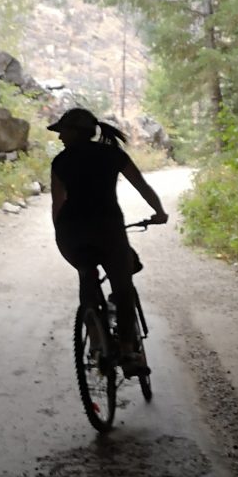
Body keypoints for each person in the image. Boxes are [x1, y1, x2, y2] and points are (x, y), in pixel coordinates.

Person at [49, 105, 168, 368]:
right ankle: (127, 349)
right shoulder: (112, 154)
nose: (59, 138)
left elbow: (57, 204)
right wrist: (159, 211)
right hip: (108, 230)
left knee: (86, 275)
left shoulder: (60, 162)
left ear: (75, 132)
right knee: (122, 286)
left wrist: (61, 233)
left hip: (72, 233)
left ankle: (95, 343)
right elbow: (142, 186)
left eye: (62, 132)